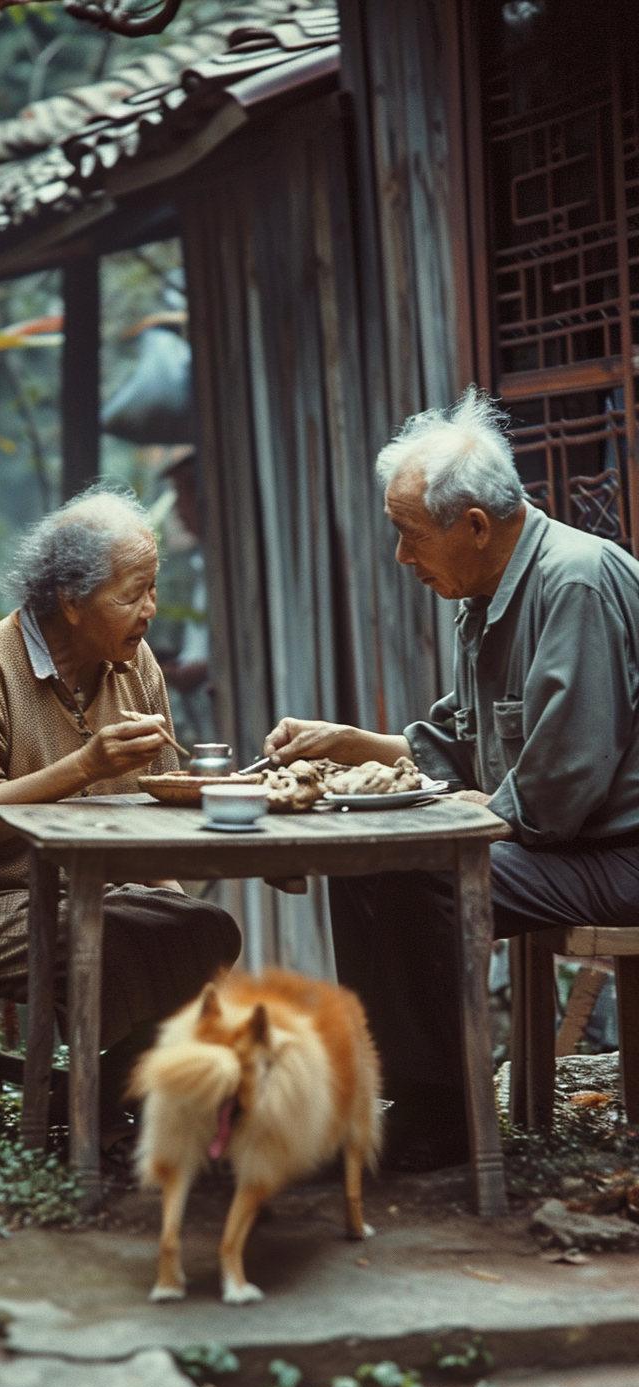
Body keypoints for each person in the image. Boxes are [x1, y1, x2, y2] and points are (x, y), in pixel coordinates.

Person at [263, 388, 639, 1169]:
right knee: (358, 857)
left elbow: (561, 788)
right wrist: (352, 744)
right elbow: (456, 745)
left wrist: (478, 815)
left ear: (473, 526)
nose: (402, 558)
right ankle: (402, 1088)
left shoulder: (573, 583)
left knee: (418, 864)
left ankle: (444, 1114)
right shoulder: (486, 595)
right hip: (562, 847)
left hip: (614, 855)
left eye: (408, 536)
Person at [0, 485, 241, 1143]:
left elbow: (157, 802)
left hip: (89, 888)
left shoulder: (133, 663)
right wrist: (84, 767)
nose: (150, 611)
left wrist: (170, 893)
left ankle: (101, 1095)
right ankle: (94, 1113)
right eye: (130, 594)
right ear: (71, 601)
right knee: (105, 950)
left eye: (153, 588)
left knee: (208, 931)